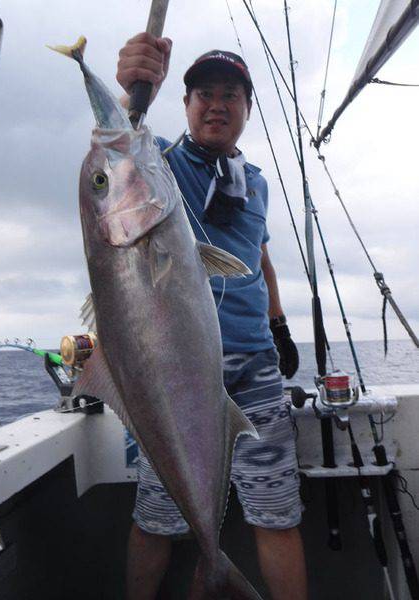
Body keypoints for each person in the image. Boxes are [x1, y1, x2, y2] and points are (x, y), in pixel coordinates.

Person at [116, 33, 307, 600]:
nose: (216, 104)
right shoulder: (161, 168)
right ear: (186, 104)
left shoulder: (257, 183)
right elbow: (123, 154)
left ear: (247, 109)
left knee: (277, 513)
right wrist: (134, 92)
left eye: (230, 94)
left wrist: (279, 325)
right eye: (203, 93)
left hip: (256, 370)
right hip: (174, 371)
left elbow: (259, 256)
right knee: (158, 517)